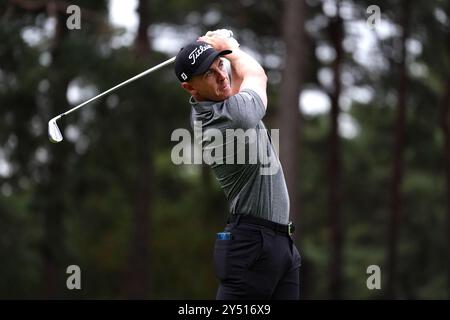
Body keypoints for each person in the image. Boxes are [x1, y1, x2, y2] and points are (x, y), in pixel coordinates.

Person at [174, 30, 301, 300]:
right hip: (251, 247)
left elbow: (240, 78)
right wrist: (230, 46)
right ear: (190, 87)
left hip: (280, 244)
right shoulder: (226, 118)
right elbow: (257, 76)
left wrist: (222, 51)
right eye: (209, 73)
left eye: (220, 64)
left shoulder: (226, 103)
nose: (222, 75)